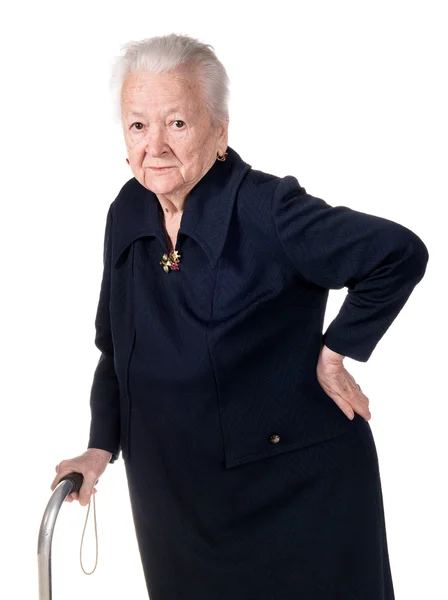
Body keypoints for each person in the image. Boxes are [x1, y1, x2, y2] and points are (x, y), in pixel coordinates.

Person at [51, 33, 429, 599]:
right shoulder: (127, 212)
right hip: (179, 506)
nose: (154, 145)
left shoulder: (267, 210)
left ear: (220, 130)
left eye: (176, 123)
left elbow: (397, 253)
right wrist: (100, 446)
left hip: (296, 497)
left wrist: (335, 352)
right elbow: (115, 350)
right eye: (137, 125)